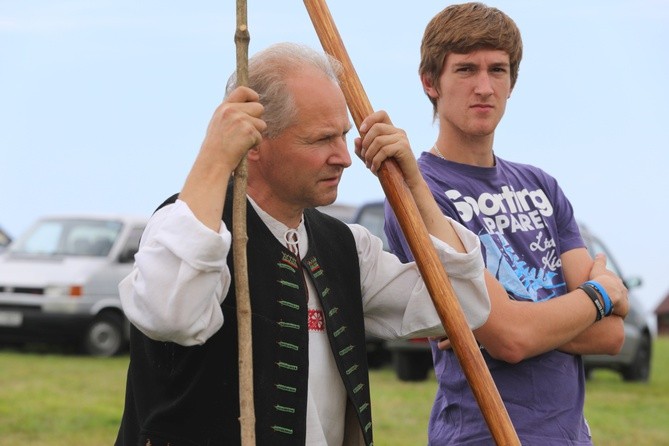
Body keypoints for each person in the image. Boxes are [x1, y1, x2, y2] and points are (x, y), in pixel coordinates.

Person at [114, 42, 492, 446]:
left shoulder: (344, 246)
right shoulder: (189, 228)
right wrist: (214, 156)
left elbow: (463, 304)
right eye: (321, 140)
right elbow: (171, 315)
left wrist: (414, 185)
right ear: (254, 143)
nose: (345, 157)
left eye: (344, 135)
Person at [383, 3, 630, 445]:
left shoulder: (542, 186)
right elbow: (511, 339)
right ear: (429, 82)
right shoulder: (420, 194)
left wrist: (517, 323)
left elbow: (611, 334)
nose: (484, 86)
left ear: (512, 82)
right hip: (483, 435)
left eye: (497, 69)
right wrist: (598, 294)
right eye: (465, 70)